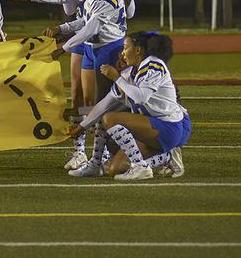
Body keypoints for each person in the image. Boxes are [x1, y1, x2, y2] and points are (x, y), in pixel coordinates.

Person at [5, 0, 114, 170]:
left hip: (103, 41)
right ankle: (80, 153)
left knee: (99, 99)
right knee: (77, 98)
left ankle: (104, 152)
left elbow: (126, 11)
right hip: (82, 38)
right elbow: (69, 5)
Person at [42, 0, 138, 165]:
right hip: (88, 42)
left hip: (104, 44)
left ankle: (104, 156)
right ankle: (87, 155)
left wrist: (62, 48)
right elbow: (74, 13)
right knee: (84, 99)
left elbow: (100, 23)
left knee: (103, 104)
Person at [68, 32, 189, 180]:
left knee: (110, 119)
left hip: (169, 127)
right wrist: (82, 126)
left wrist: (116, 78)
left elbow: (140, 98)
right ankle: (166, 157)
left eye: (125, 48)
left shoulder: (153, 64)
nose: (122, 53)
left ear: (137, 50)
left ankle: (140, 168)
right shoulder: (129, 73)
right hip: (151, 127)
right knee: (115, 168)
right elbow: (103, 105)